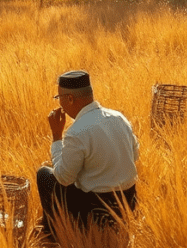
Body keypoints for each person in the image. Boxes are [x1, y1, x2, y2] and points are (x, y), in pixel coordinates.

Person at [36, 70, 139, 237]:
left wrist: (56, 137)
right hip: (128, 203)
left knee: (44, 174)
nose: (59, 103)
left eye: (59, 98)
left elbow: (63, 178)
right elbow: (134, 155)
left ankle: (53, 234)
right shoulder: (119, 118)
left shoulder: (76, 132)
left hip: (96, 211)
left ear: (70, 98)